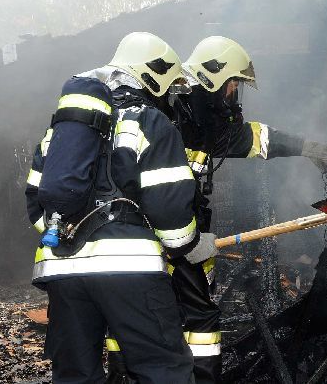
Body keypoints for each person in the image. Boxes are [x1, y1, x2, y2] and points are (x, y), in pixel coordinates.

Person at [106, 35, 327, 383]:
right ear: (213, 77)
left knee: (155, 316)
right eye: (233, 83)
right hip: (158, 237)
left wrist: (307, 147)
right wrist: (178, 240)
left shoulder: (203, 119)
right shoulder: (172, 113)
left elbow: (255, 139)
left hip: (177, 236)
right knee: (189, 317)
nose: (234, 93)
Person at [26, 32, 218, 384]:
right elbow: (169, 211)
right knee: (163, 369)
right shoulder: (150, 122)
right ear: (153, 76)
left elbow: (37, 203)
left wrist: (70, 236)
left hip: (61, 271)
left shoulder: (64, 130)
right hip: (130, 270)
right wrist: (192, 245)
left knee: (74, 375)